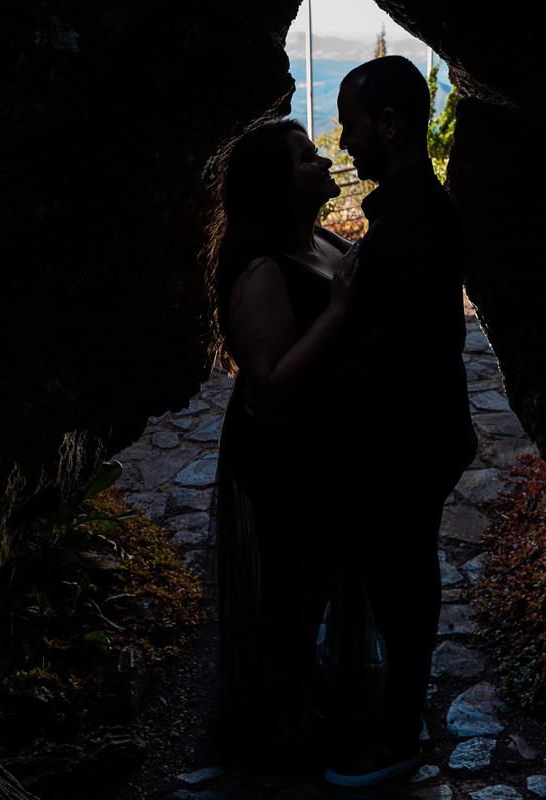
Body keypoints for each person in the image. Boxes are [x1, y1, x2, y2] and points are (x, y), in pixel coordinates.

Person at [312, 55, 479, 787]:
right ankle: (401, 721)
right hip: (428, 432)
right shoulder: (419, 212)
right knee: (410, 579)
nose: (344, 144)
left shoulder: (405, 231)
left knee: (399, 588)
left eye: (351, 125)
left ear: (388, 124)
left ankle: (398, 736)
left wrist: (302, 393)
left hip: (404, 443)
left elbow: (388, 362)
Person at [203, 118, 362, 772]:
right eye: (304, 159)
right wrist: (337, 313)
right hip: (281, 459)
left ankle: (305, 705)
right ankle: (277, 725)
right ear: (276, 186)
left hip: (321, 450)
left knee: (317, 582)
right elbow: (265, 386)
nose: (322, 161)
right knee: (290, 591)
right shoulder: (261, 269)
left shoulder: (318, 240)